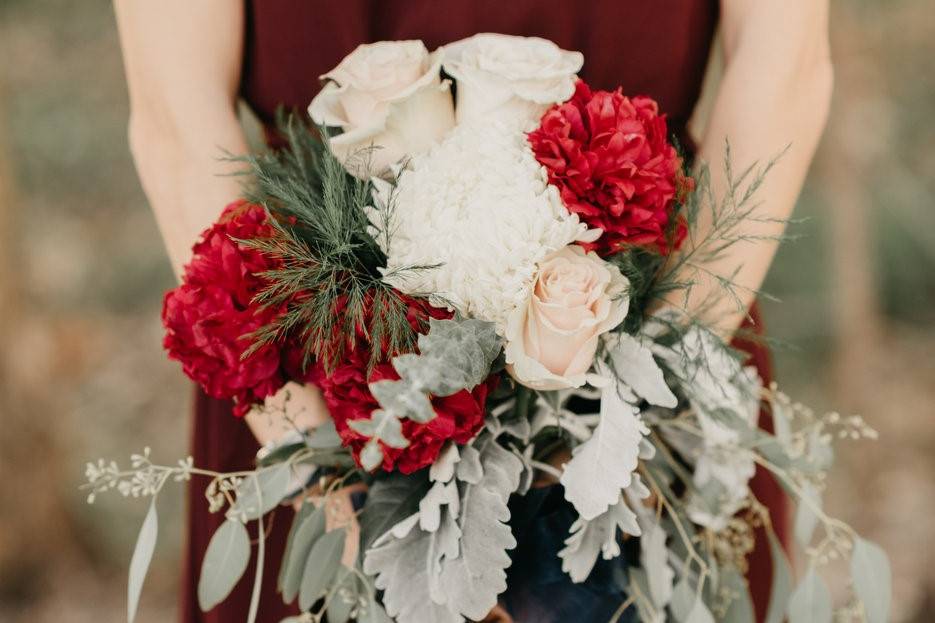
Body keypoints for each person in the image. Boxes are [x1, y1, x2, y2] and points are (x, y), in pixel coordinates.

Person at [114, 1, 832, 621]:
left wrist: (637, 412)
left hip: (667, 308)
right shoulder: (313, 430)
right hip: (315, 359)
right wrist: (319, 464)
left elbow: (781, 70)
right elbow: (178, 119)